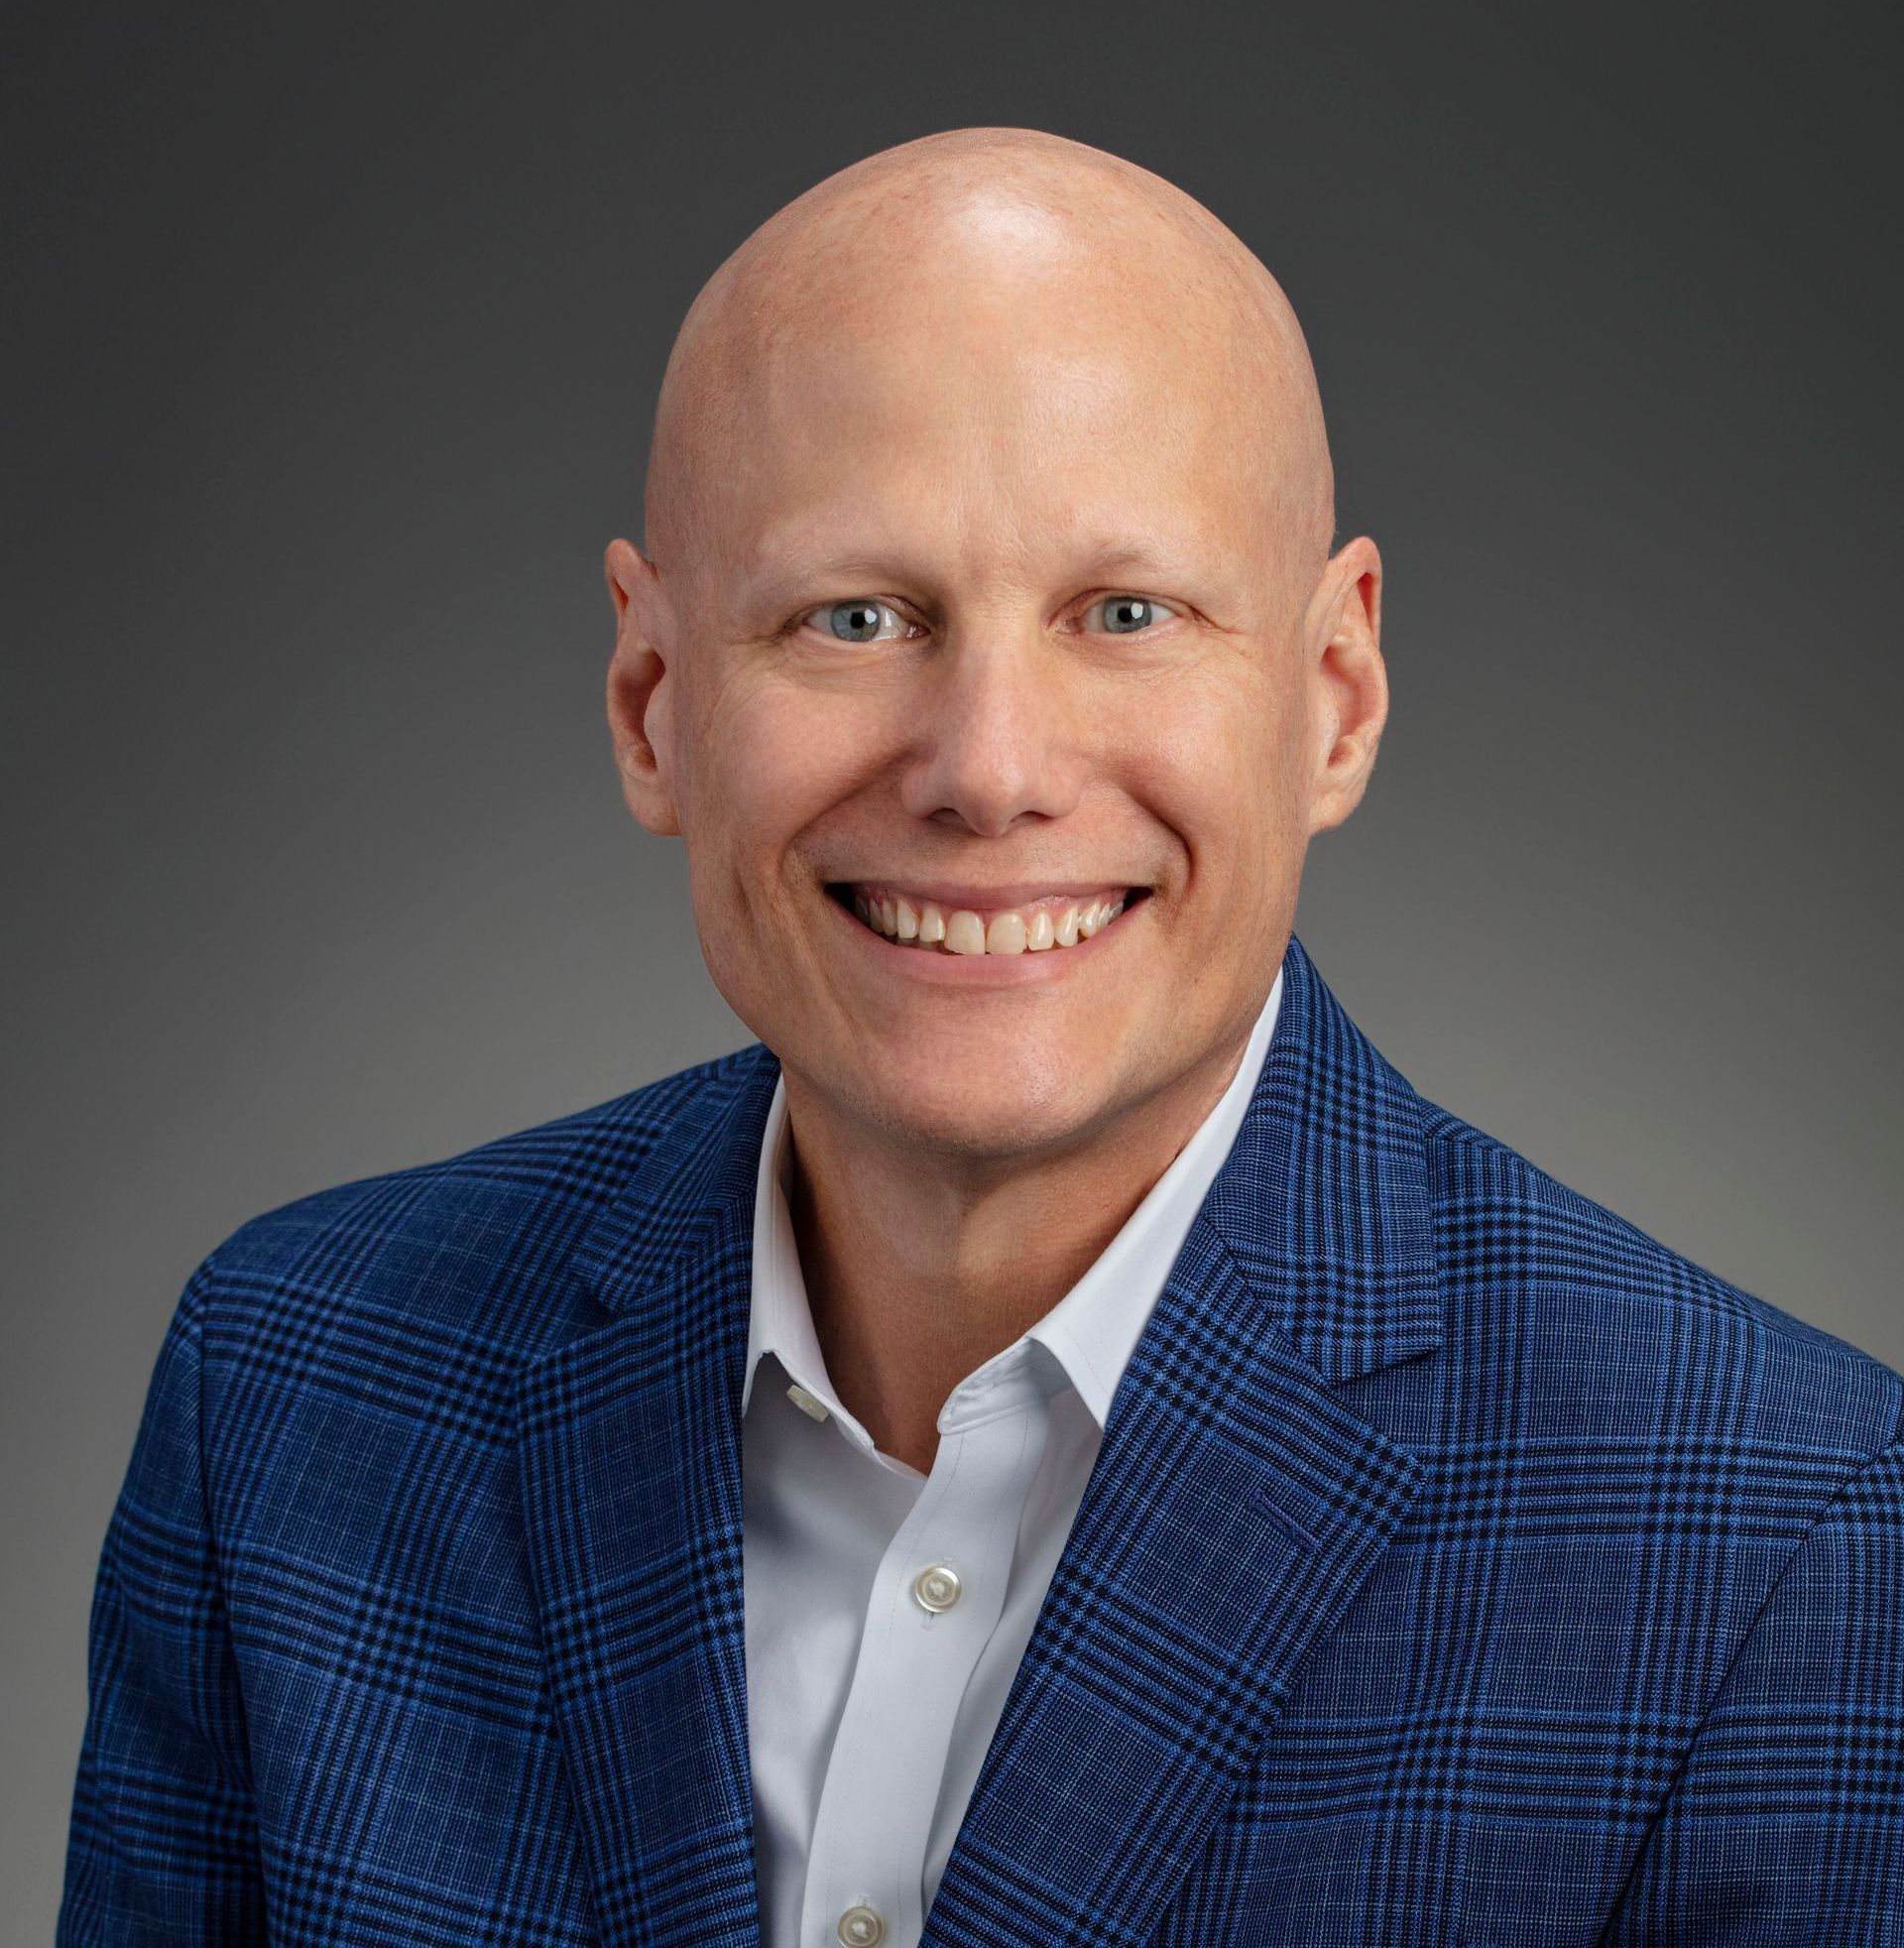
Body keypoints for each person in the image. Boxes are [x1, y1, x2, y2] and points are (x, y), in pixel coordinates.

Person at [60, 127, 1903, 1947]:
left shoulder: (1783, 1544)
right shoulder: (294, 1396)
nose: (989, 769)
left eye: (1125, 612)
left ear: (1333, 699)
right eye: (855, 617)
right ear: (653, 702)